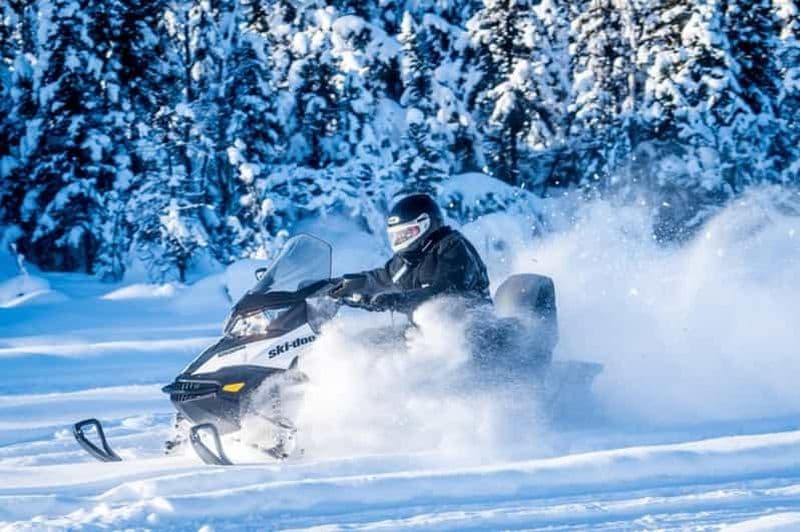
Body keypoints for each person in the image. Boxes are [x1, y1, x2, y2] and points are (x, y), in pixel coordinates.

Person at [329, 193, 490, 315]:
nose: (400, 239)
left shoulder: (453, 247)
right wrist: (340, 285)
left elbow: (445, 292)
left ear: (426, 224)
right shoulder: (410, 258)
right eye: (396, 235)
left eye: (407, 233)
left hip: (472, 333)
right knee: (363, 343)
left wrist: (395, 300)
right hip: (425, 337)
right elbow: (381, 278)